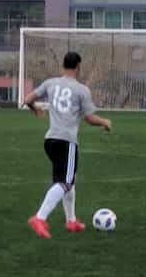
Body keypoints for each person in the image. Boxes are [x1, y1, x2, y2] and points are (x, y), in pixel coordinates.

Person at [22, 51, 112, 239]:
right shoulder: (82, 90)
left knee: (68, 181)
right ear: (78, 67)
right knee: (65, 182)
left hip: (50, 141)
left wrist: (36, 109)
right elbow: (89, 118)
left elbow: (28, 100)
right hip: (67, 142)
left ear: (63, 66)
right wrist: (104, 122)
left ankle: (71, 221)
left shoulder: (50, 83)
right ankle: (40, 218)